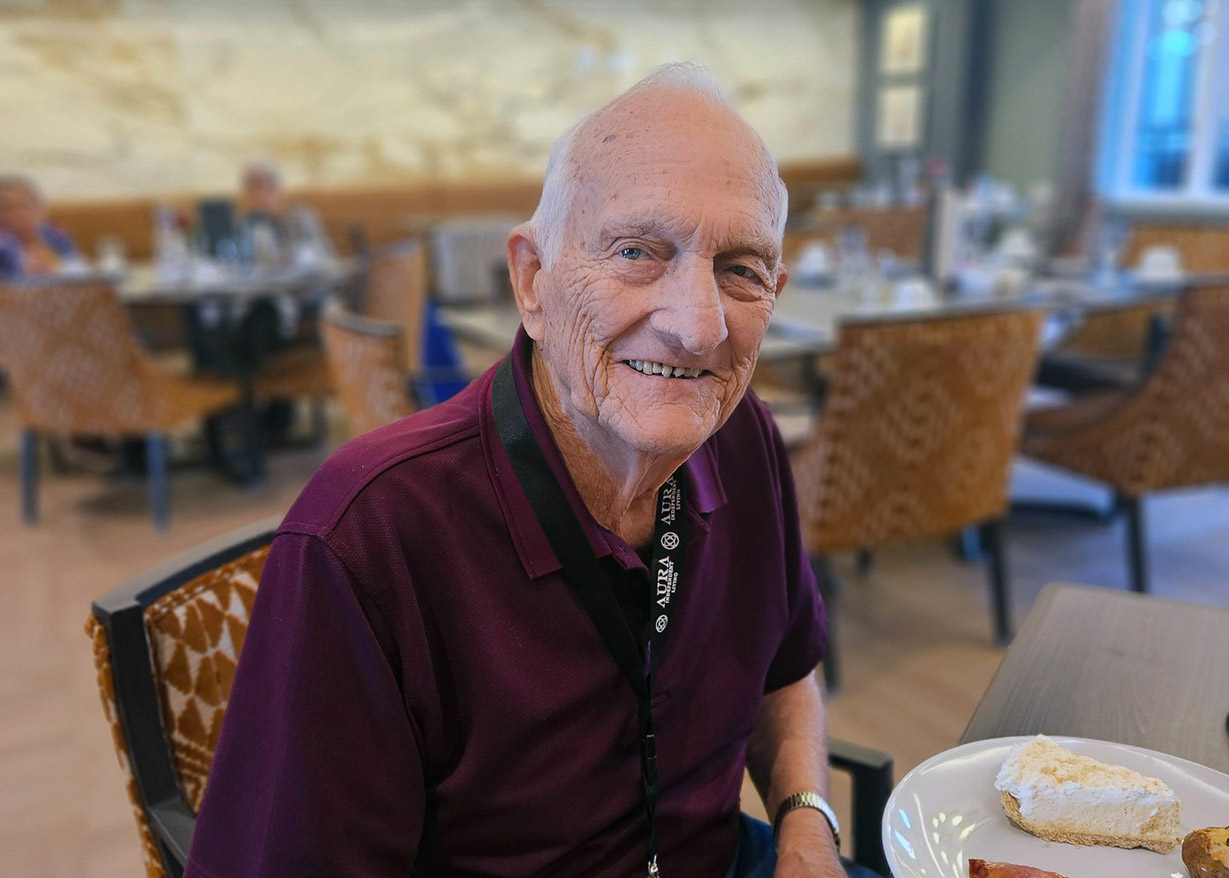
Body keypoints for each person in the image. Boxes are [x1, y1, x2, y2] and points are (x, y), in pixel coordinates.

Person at [187, 64, 858, 878]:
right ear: (532, 279)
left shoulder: (739, 435)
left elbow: (786, 668)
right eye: (637, 251)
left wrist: (805, 824)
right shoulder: (371, 534)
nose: (697, 325)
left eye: (740, 269)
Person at [237, 159, 334, 264]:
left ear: (278, 189)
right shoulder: (249, 221)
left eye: (262, 187)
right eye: (251, 189)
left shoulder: (300, 216)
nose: (257, 196)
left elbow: (321, 254)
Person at [0, 175, 76, 280]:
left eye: (26, 206)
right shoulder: (3, 249)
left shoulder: (56, 236)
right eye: (9, 209)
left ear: (41, 209)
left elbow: (76, 268)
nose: (21, 214)